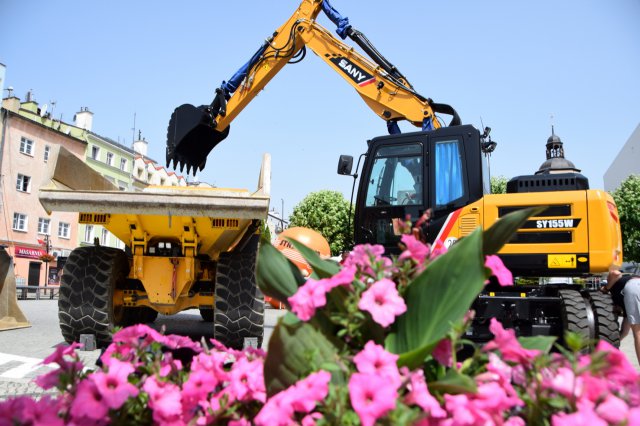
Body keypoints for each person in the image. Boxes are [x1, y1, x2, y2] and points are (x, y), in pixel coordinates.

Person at [601, 269, 640, 365]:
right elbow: (625, 332)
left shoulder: (612, 287)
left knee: (638, 333)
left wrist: (606, 288)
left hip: (634, 286)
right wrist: (609, 346)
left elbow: (616, 273)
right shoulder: (626, 305)